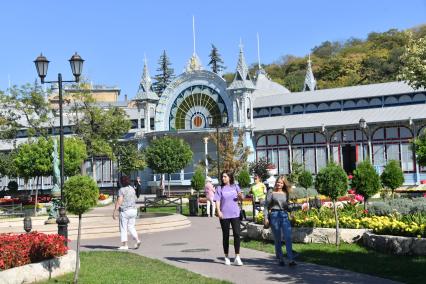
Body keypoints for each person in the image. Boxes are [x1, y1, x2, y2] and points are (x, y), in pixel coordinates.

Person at [263, 175, 296, 266]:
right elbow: (266, 206)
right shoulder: (271, 192)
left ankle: (290, 259)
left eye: (281, 183)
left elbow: (287, 206)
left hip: (284, 215)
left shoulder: (286, 193)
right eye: (278, 182)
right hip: (274, 215)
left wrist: (292, 212)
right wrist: (265, 217)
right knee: (277, 239)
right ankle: (280, 259)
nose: (279, 184)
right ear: (276, 182)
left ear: (284, 184)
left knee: (288, 237)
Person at [214, 170, 244, 266]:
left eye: (225, 176)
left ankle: (237, 257)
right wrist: (218, 211)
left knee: (237, 234)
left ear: (230, 177)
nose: (223, 178)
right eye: (222, 177)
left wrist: (240, 196)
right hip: (224, 215)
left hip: (235, 214)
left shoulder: (235, 186)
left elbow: (242, 198)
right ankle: (226, 257)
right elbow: (217, 200)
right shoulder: (219, 188)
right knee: (226, 235)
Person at [113, 175, 141, 250]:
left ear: (122, 182)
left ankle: (125, 245)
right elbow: (135, 198)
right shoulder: (132, 189)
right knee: (131, 226)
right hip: (134, 210)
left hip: (125, 211)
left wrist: (115, 211)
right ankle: (137, 240)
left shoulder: (121, 190)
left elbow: (119, 201)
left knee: (123, 228)